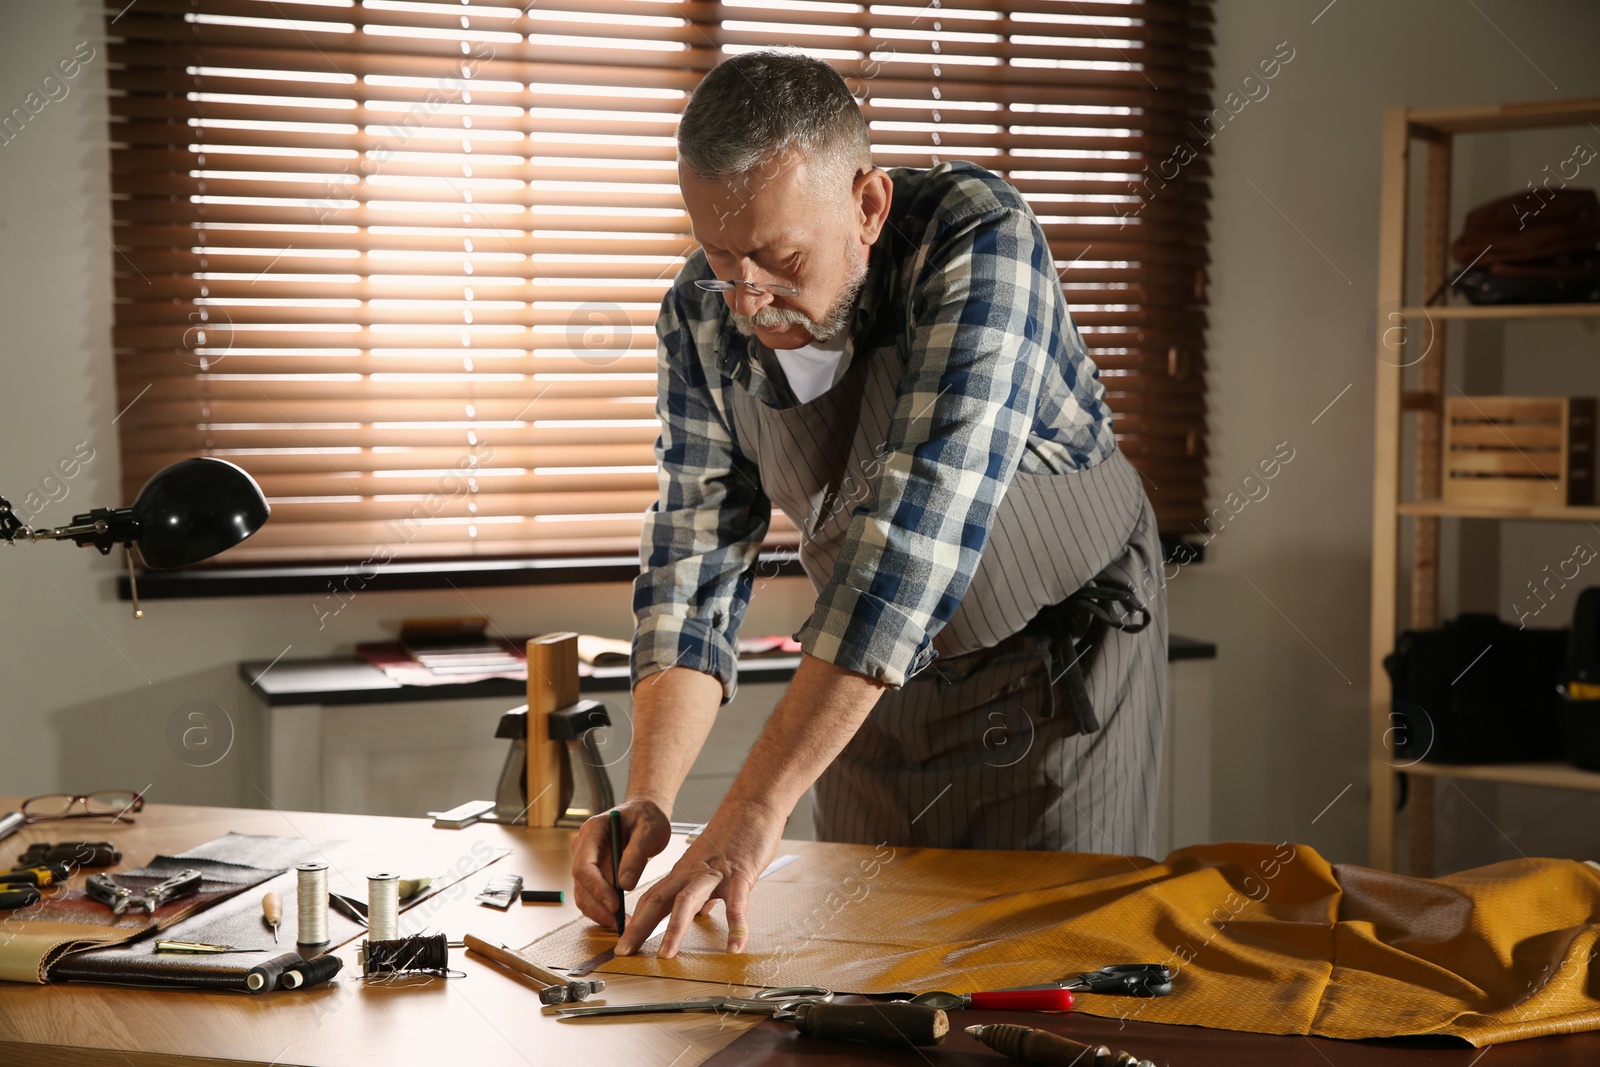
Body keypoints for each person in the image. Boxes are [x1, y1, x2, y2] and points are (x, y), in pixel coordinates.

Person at [570, 51, 1167, 960]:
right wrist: (648, 800)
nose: (748, 300)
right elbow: (693, 562)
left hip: (1060, 666)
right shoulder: (700, 314)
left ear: (868, 206)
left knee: (1051, 970)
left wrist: (755, 803)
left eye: (780, 260)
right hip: (865, 682)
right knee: (869, 971)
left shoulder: (977, 238)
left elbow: (909, 537)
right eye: (720, 257)